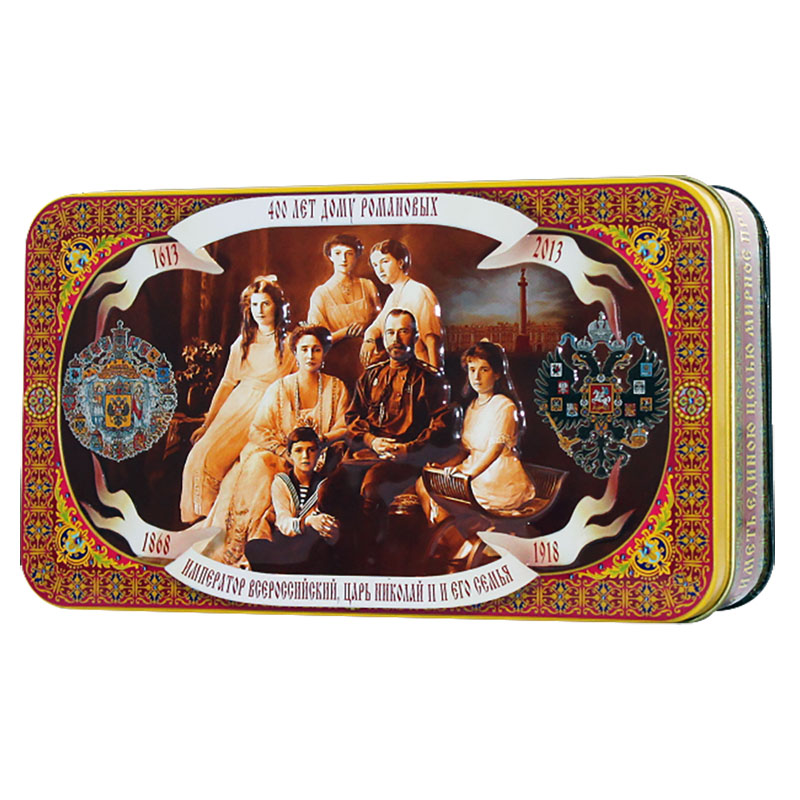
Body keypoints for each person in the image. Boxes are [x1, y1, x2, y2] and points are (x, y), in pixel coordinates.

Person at [207, 325, 349, 565]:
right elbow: (257, 429)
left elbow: (345, 427)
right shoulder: (279, 388)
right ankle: (248, 549)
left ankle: (289, 549)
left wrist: (323, 440)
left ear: (325, 352)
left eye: (316, 349)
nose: (310, 355)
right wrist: (285, 452)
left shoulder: (336, 388)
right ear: (295, 353)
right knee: (261, 465)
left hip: (319, 457)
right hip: (281, 456)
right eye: (304, 349)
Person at [180, 276, 294, 523]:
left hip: (268, 408)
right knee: (200, 456)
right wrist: (208, 424)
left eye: (265, 304)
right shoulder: (243, 343)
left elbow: (296, 384)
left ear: (277, 306)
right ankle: (201, 519)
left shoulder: (289, 344)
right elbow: (227, 384)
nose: (259, 311)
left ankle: (218, 521)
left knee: (229, 464)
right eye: (254, 305)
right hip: (237, 406)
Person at [347, 309, 454, 517]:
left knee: (372, 488)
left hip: (407, 461)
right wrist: (371, 441)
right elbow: (352, 420)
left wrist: (407, 450)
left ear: (415, 336)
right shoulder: (370, 376)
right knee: (329, 491)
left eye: (403, 331)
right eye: (390, 332)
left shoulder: (431, 380)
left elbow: (442, 430)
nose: (395, 339)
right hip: (368, 453)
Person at [418, 340, 536, 518]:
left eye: (484, 370)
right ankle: (441, 531)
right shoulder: (472, 406)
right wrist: (445, 467)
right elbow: (465, 450)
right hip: (472, 469)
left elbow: (494, 451)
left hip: (497, 477)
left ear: (497, 374)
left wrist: (467, 475)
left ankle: (454, 531)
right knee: (422, 484)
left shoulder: (505, 406)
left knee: (445, 504)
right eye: (472, 370)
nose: (477, 377)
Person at [245, 427, 340, 573]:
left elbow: (330, 520)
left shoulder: (325, 485)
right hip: (286, 542)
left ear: (319, 453)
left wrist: (331, 530)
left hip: (310, 545)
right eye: (298, 450)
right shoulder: (282, 482)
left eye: (311, 450)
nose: (305, 456)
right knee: (253, 548)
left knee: (322, 549)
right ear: (290, 454)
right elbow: (283, 521)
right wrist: (307, 521)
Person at [307, 233, 381, 384]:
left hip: (370, 358)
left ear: (357, 256)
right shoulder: (321, 293)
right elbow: (317, 339)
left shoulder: (367, 286)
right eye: (338, 253)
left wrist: (366, 325)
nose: (343, 259)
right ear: (330, 256)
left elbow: (381, 320)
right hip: (337, 363)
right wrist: (346, 332)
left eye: (349, 254)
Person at [360, 239, 443, 370]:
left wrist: (435, 374)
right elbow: (376, 328)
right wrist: (369, 340)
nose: (380, 269)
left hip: (421, 367)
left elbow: (432, 339)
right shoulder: (393, 297)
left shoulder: (418, 291)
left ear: (400, 262)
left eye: (385, 262)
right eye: (375, 265)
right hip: (402, 367)